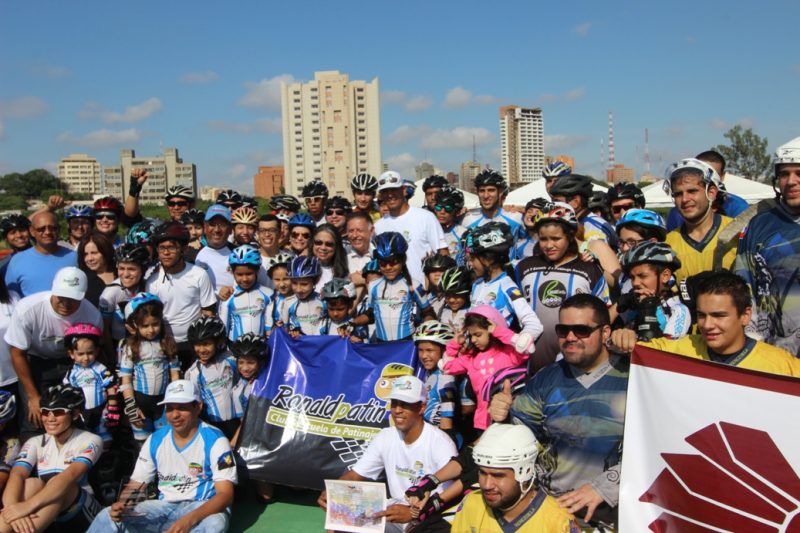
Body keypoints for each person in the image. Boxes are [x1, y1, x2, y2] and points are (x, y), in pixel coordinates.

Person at [489, 294, 627, 529]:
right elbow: (521, 441)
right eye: (563, 330)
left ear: (605, 332)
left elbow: (656, 450)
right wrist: (502, 418)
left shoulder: (634, 377)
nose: (570, 338)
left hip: (613, 517)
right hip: (551, 512)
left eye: (581, 330)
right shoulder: (545, 379)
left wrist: (606, 487)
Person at [88, 380, 236, 533]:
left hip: (201, 507)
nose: (175, 415)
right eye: (170, 408)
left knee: (214, 525)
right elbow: (136, 484)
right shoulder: (155, 439)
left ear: (198, 407)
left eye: (182, 408)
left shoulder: (216, 440)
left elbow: (225, 494)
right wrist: (122, 504)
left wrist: (188, 521)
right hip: (164, 507)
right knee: (107, 515)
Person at [318, 375, 456, 533]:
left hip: (431, 516)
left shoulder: (441, 443)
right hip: (395, 512)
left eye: (405, 404)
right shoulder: (385, 436)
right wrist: (334, 492)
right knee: (338, 523)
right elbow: (355, 475)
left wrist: (414, 514)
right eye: (395, 403)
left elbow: (451, 496)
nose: (397, 410)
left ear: (422, 408)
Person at [612, 272, 800, 377]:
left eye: (719, 316)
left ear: (745, 315)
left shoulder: (784, 367)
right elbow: (635, 348)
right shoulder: (679, 351)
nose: (708, 325)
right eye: (702, 315)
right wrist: (622, 338)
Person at [5, 267, 102, 441]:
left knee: (77, 411)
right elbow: (17, 353)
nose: (65, 303)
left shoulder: (91, 313)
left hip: (73, 362)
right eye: (61, 297)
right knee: (34, 416)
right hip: (35, 363)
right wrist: (33, 396)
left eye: (72, 299)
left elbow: (100, 345)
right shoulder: (28, 308)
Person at [514, 203, 609, 368]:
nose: (549, 245)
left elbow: (604, 312)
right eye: (543, 239)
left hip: (575, 361)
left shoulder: (590, 269)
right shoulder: (524, 267)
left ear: (570, 236)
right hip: (530, 360)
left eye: (556, 238)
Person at [1, 385, 103, 532]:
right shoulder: (35, 441)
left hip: (83, 513)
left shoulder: (91, 440)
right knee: (31, 483)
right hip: (47, 512)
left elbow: (70, 475)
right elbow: (17, 474)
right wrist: (13, 509)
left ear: (75, 414)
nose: (50, 418)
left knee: (62, 484)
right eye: (45, 412)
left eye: (58, 412)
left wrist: (26, 507)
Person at [734, 136, 800, 356]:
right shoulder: (759, 225)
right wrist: (752, 338)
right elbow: (743, 284)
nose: (790, 181)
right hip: (777, 353)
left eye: (799, 173)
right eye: (784, 174)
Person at [450, 423, 578, 533]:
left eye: (498, 475)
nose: (487, 485)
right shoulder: (472, 504)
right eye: (483, 473)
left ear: (526, 472)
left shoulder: (558, 522)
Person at [443, 306, 529, 431]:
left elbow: (525, 348)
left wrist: (498, 331)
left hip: (509, 418)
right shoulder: (471, 357)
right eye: (471, 335)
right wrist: (454, 344)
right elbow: (447, 367)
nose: (473, 339)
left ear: (491, 330)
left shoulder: (508, 353)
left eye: (478, 334)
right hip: (482, 423)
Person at [145, 222, 217, 369]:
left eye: (171, 247)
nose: (166, 253)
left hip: (192, 344)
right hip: (163, 343)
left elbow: (208, 312)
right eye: (162, 248)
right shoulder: (151, 280)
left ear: (183, 249)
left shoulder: (199, 275)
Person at [465, 222, 543, 349]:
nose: (470, 264)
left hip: (499, 359)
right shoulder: (477, 285)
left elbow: (534, 324)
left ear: (488, 259)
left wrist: (519, 342)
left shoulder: (507, 286)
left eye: (473, 259)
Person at [349, 232, 434, 342]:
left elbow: (428, 312)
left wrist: (426, 332)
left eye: (393, 262)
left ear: (403, 260)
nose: (388, 267)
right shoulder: (374, 286)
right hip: (381, 344)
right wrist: (353, 323)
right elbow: (371, 314)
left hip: (406, 343)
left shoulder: (413, 285)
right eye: (383, 264)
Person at [663, 158, 736, 282]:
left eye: (692, 191)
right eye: (678, 194)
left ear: (711, 193)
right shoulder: (667, 244)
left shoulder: (738, 232)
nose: (685, 199)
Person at [119, 293, 180, 443]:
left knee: (165, 442)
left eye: (155, 324)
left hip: (163, 403)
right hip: (140, 403)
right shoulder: (130, 347)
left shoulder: (168, 343)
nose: (151, 330)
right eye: (145, 326)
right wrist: (132, 408)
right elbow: (125, 379)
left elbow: (175, 376)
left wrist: (175, 402)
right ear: (135, 325)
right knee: (142, 444)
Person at [374, 171, 448, 286]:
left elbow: (443, 254)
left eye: (394, 190)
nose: (390, 195)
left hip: (424, 291)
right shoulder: (378, 226)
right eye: (385, 191)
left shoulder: (426, 217)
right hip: (393, 296)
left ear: (403, 190)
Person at [617, 242, 691, 341]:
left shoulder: (679, 310)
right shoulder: (634, 302)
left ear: (665, 276)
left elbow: (661, 352)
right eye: (632, 277)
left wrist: (648, 309)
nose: (635, 283)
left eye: (643, 276)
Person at [184, 317, 240, 440]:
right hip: (213, 425)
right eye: (198, 345)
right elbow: (195, 404)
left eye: (206, 344)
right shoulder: (193, 373)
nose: (202, 350)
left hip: (238, 421)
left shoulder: (231, 359)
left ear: (218, 342)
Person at [61, 324, 118, 444]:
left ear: (97, 351)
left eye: (90, 353)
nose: (86, 358)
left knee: (105, 438)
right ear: (72, 354)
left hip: (101, 409)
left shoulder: (100, 368)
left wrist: (113, 406)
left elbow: (110, 387)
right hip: (80, 411)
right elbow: (67, 391)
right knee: (83, 439)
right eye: (80, 354)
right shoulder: (72, 372)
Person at [666, 149, 749, 231]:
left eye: (713, 173)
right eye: (700, 172)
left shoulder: (738, 206)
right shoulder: (677, 212)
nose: (685, 199)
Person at [5, 210, 76, 298]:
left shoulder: (74, 257)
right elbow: (11, 298)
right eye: (41, 229)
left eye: (53, 228)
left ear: (59, 229)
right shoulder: (17, 261)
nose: (47, 232)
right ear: (32, 231)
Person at [99, 243, 150, 355]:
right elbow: (104, 329)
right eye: (121, 268)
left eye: (132, 269)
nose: (125, 274)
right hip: (119, 347)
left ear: (143, 270)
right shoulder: (110, 293)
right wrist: (111, 356)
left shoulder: (149, 286)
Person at [219, 244, 274, 341]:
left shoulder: (268, 294)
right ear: (232, 272)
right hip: (235, 349)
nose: (244, 279)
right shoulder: (228, 296)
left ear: (257, 271)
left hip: (260, 348)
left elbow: (269, 325)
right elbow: (223, 327)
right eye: (239, 274)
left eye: (249, 274)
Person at [549, 174, 618, 249]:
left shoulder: (595, 227)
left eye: (557, 202)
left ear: (576, 202)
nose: (553, 205)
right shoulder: (571, 222)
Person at [413, 321, 457, 435]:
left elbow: (447, 418)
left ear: (443, 350)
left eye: (429, 350)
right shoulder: (427, 372)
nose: (423, 356)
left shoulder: (446, 376)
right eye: (420, 350)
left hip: (442, 437)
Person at [462, 170, 524, 242]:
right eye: (482, 191)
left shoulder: (516, 218)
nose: (486, 196)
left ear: (500, 192)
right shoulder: (467, 220)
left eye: (491, 190)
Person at [195, 204, 235, 297]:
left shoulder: (239, 254)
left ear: (230, 229)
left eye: (222, 224)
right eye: (212, 224)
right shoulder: (192, 254)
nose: (217, 230)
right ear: (205, 227)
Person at [286, 256, 326, 336]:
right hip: (297, 347)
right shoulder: (287, 303)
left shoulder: (324, 301)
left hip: (322, 346)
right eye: (294, 283)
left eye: (304, 284)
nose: (298, 289)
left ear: (316, 280)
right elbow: (283, 329)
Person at [77, 231, 117, 307]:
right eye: (85, 254)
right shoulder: (81, 278)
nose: (89, 258)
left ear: (106, 251)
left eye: (94, 253)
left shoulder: (121, 272)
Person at [434, 186, 467, 264]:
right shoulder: (427, 230)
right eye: (438, 207)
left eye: (447, 208)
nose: (442, 212)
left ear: (457, 212)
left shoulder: (463, 233)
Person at [311, 224, 348, 293]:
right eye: (318, 243)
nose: (323, 248)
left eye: (329, 244)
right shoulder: (303, 266)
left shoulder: (344, 272)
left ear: (336, 247)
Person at [345, 211, 374, 291]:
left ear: (371, 231)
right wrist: (350, 280)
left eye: (359, 230)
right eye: (351, 231)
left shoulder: (380, 255)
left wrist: (363, 280)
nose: (355, 235)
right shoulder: (341, 255)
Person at [437, 266, 471, 333]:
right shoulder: (442, 311)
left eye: (456, 296)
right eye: (447, 296)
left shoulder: (470, 311)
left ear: (466, 294)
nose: (451, 300)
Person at [264, 254, 294, 330]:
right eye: (277, 279)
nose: (282, 284)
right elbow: (268, 330)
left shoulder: (300, 298)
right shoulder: (271, 300)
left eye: (286, 279)